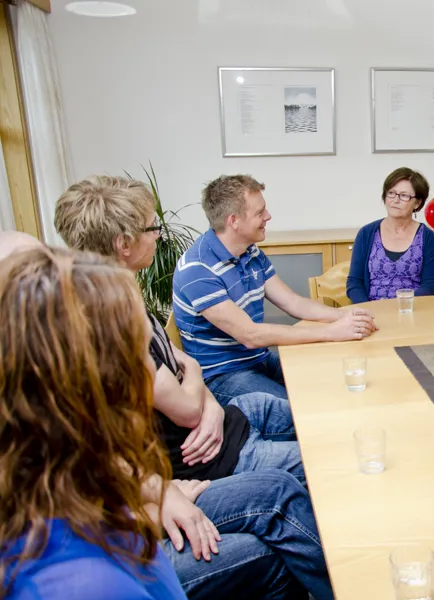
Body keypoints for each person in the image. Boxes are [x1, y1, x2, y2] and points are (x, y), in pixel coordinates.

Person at [54, 176, 303, 482]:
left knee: (313, 415)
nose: (159, 235)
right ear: (124, 244)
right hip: (209, 451)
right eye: (151, 228)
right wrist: (196, 378)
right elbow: (186, 406)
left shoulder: (126, 299)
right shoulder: (112, 324)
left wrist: (209, 403)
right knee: (321, 458)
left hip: (220, 421)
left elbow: (178, 363)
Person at [0, 247, 185, 599]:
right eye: (141, 352)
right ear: (99, 387)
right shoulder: (90, 586)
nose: (153, 368)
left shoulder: (56, 482)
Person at [172, 174, 377, 404]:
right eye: (260, 213)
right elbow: (250, 335)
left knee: (331, 379)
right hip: (222, 375)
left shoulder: (250, 251)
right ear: (234, 221)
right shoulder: (198, 269)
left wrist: (344, 316)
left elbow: (292, 302)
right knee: (301, 410)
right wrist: (330, 332)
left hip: (257, 359)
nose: (268, 216)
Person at [346, 167, 434, 303]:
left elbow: (430, 285)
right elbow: (354, 282)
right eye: (391, 193)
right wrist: (366, 308)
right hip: (371, 309)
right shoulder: (366, 233)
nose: (396, 200)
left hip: (411, 309)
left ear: (417, 202)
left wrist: (402, 304)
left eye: (404, 195)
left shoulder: (427, 237)